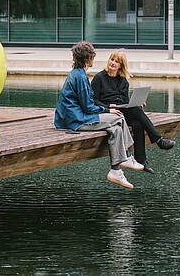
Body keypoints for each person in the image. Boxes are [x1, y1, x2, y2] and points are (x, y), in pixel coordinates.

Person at [54, 41, 144, 189]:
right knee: (118, 117)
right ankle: (126, 156)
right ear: (89, 58)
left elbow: (87, 105)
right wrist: (107, 110)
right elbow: (88, 107)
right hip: (76, 120)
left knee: (115, 129)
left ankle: (115, 170)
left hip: (76, 116)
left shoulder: (78, 74)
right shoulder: (80, 77)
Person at [91, 48, 175, 175]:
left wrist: (136, 103)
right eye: (112, 59)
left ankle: (141, 161)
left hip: (121, 111)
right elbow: (93, 101)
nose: (113, 63)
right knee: (135, 113)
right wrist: (109, 106)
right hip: (107, 112)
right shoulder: (99, 78)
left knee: (137, 123)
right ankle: (158, 140)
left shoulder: (123, 81)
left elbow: (125, 101)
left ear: (121, 66)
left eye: (116, 61)